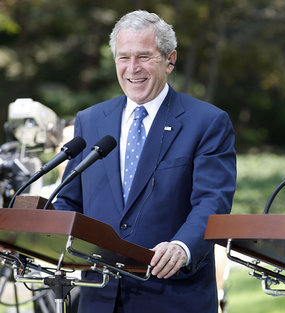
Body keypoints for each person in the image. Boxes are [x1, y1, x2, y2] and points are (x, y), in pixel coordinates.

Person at [53, 10, 237, 313]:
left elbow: (212, 202)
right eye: (123, 57)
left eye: (144, 57)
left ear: (170, 59)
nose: (132, 68)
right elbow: (69, 201)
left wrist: (181, 246)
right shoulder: (91, 120)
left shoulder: (207, 122)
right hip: (99, 297)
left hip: (173, 294)